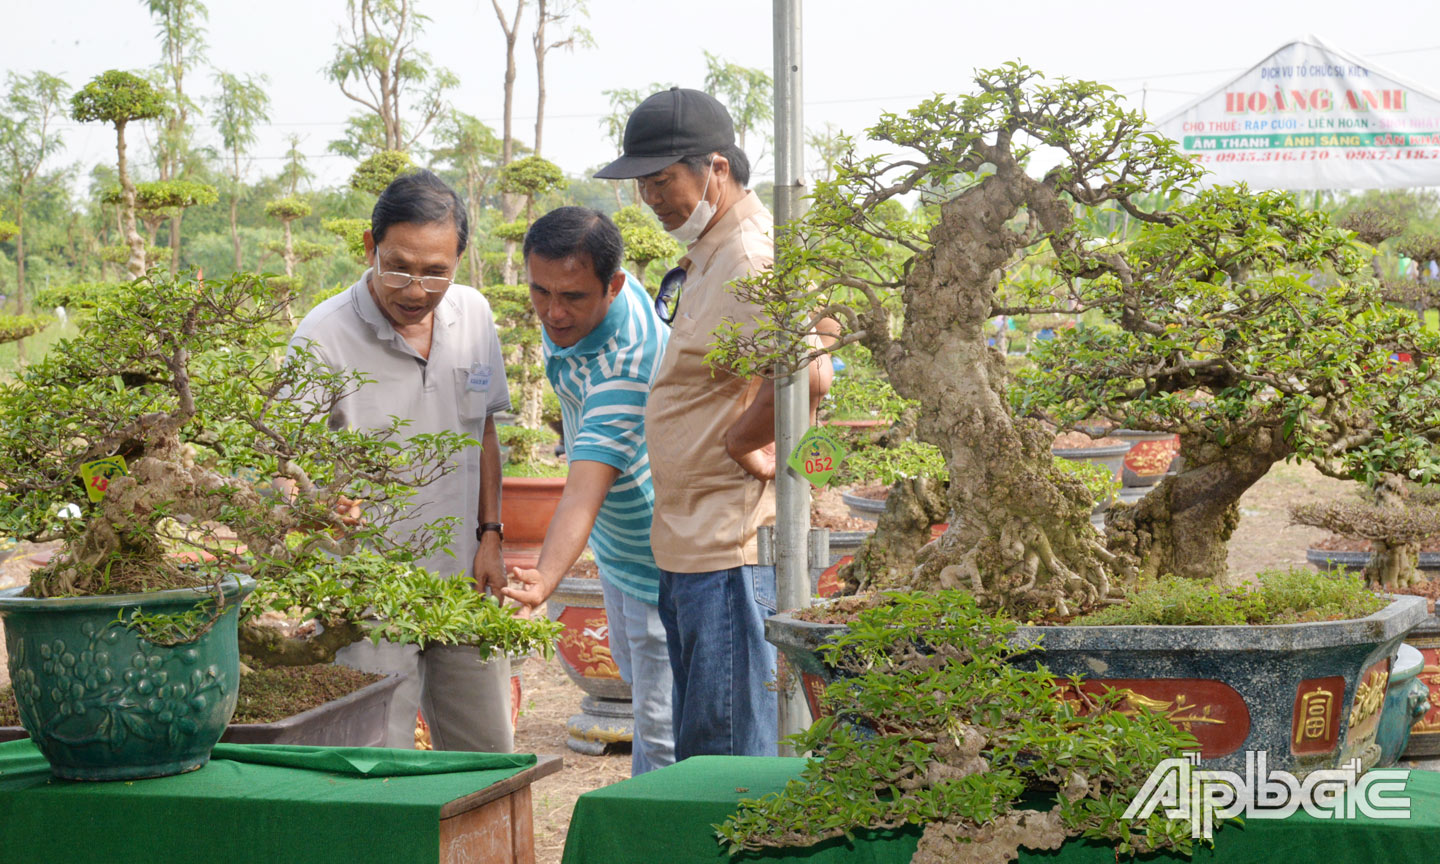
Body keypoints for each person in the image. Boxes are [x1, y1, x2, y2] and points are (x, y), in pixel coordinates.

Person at [594, 88, 832, 760]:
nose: (651, 197)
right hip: (694, 543)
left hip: (728, 549)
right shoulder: (714, 249)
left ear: (717, 168)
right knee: (708, 742)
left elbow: (811, 368)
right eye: (642, 183)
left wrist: (742, 439)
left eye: (663, 178)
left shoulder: (746, 256)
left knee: (727, 758)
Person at [289, 169, 515, 752]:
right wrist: (316, 503)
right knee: (374, 763)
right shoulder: (323, 337)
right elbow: (281, 465)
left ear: (460, 259)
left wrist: (490, 535)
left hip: (464, 581)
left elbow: (483, 429)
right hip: (369, 596)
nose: (416, 288)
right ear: (369, 247)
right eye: (398, 266)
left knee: (488, 756)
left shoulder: (475, 316)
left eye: (436, 271)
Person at [501, 206, 673, 775]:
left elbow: (580, 489)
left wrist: (544, 580)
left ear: (614, 285)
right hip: (618, 550)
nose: (553, 312)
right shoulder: (586, 303)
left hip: (659, 562)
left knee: (662, 731)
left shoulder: (628, 365)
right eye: (540, 291)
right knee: (639, 692)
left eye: (572, 297)